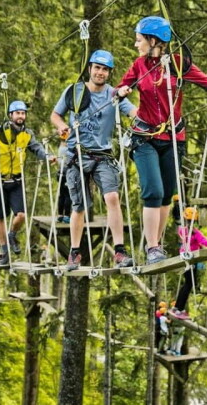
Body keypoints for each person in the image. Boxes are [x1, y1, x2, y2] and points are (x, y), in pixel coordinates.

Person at [116, 16, 207, 264]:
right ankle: (153, 247)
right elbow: (119, 89)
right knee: (153, 191)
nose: (136, 45)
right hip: (144, 138)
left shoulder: (179, 64)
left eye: (139, 40)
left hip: (173, 137)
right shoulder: (138, 66)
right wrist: (121, 91)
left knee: (168, 193)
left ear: (153, 40)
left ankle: (154, 250)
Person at [51, 49, 138, 271]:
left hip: (102, 156)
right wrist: (61, 126)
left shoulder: (114, 94)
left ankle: (120, 251)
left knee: (112, 197)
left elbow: (134, 113)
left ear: (109, 73)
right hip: (76, 155)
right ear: (90, 68)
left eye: (105, 69)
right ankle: (74, 253)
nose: (100, 72)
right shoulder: (75, 91)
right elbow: (55, 114)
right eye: (97, 68)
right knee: (78, 206)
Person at [0, 100, 56, 266]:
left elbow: (37, 149)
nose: (21, 116)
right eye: (17, 113)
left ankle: (12, 234)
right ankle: (5, 251)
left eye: (23, 113)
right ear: (11, 115)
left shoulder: (27, 134)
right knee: (0, 216)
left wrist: (48, 157)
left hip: (17, 180)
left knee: (21, 215)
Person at [170, 206, 207, 320]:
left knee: (187, 284)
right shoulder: (194, 233)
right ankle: (178, 309)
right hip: (190, 260)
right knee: (189, 284)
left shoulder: (182, 230)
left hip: (183, 259)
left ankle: (177, 308)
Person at [56, 138, 72, 224]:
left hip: (61, 173)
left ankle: (60, 215)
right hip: (67, 173)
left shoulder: (60, 148)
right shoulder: (66, 149)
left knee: (62, 195)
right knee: (68, 195)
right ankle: (66, 216)